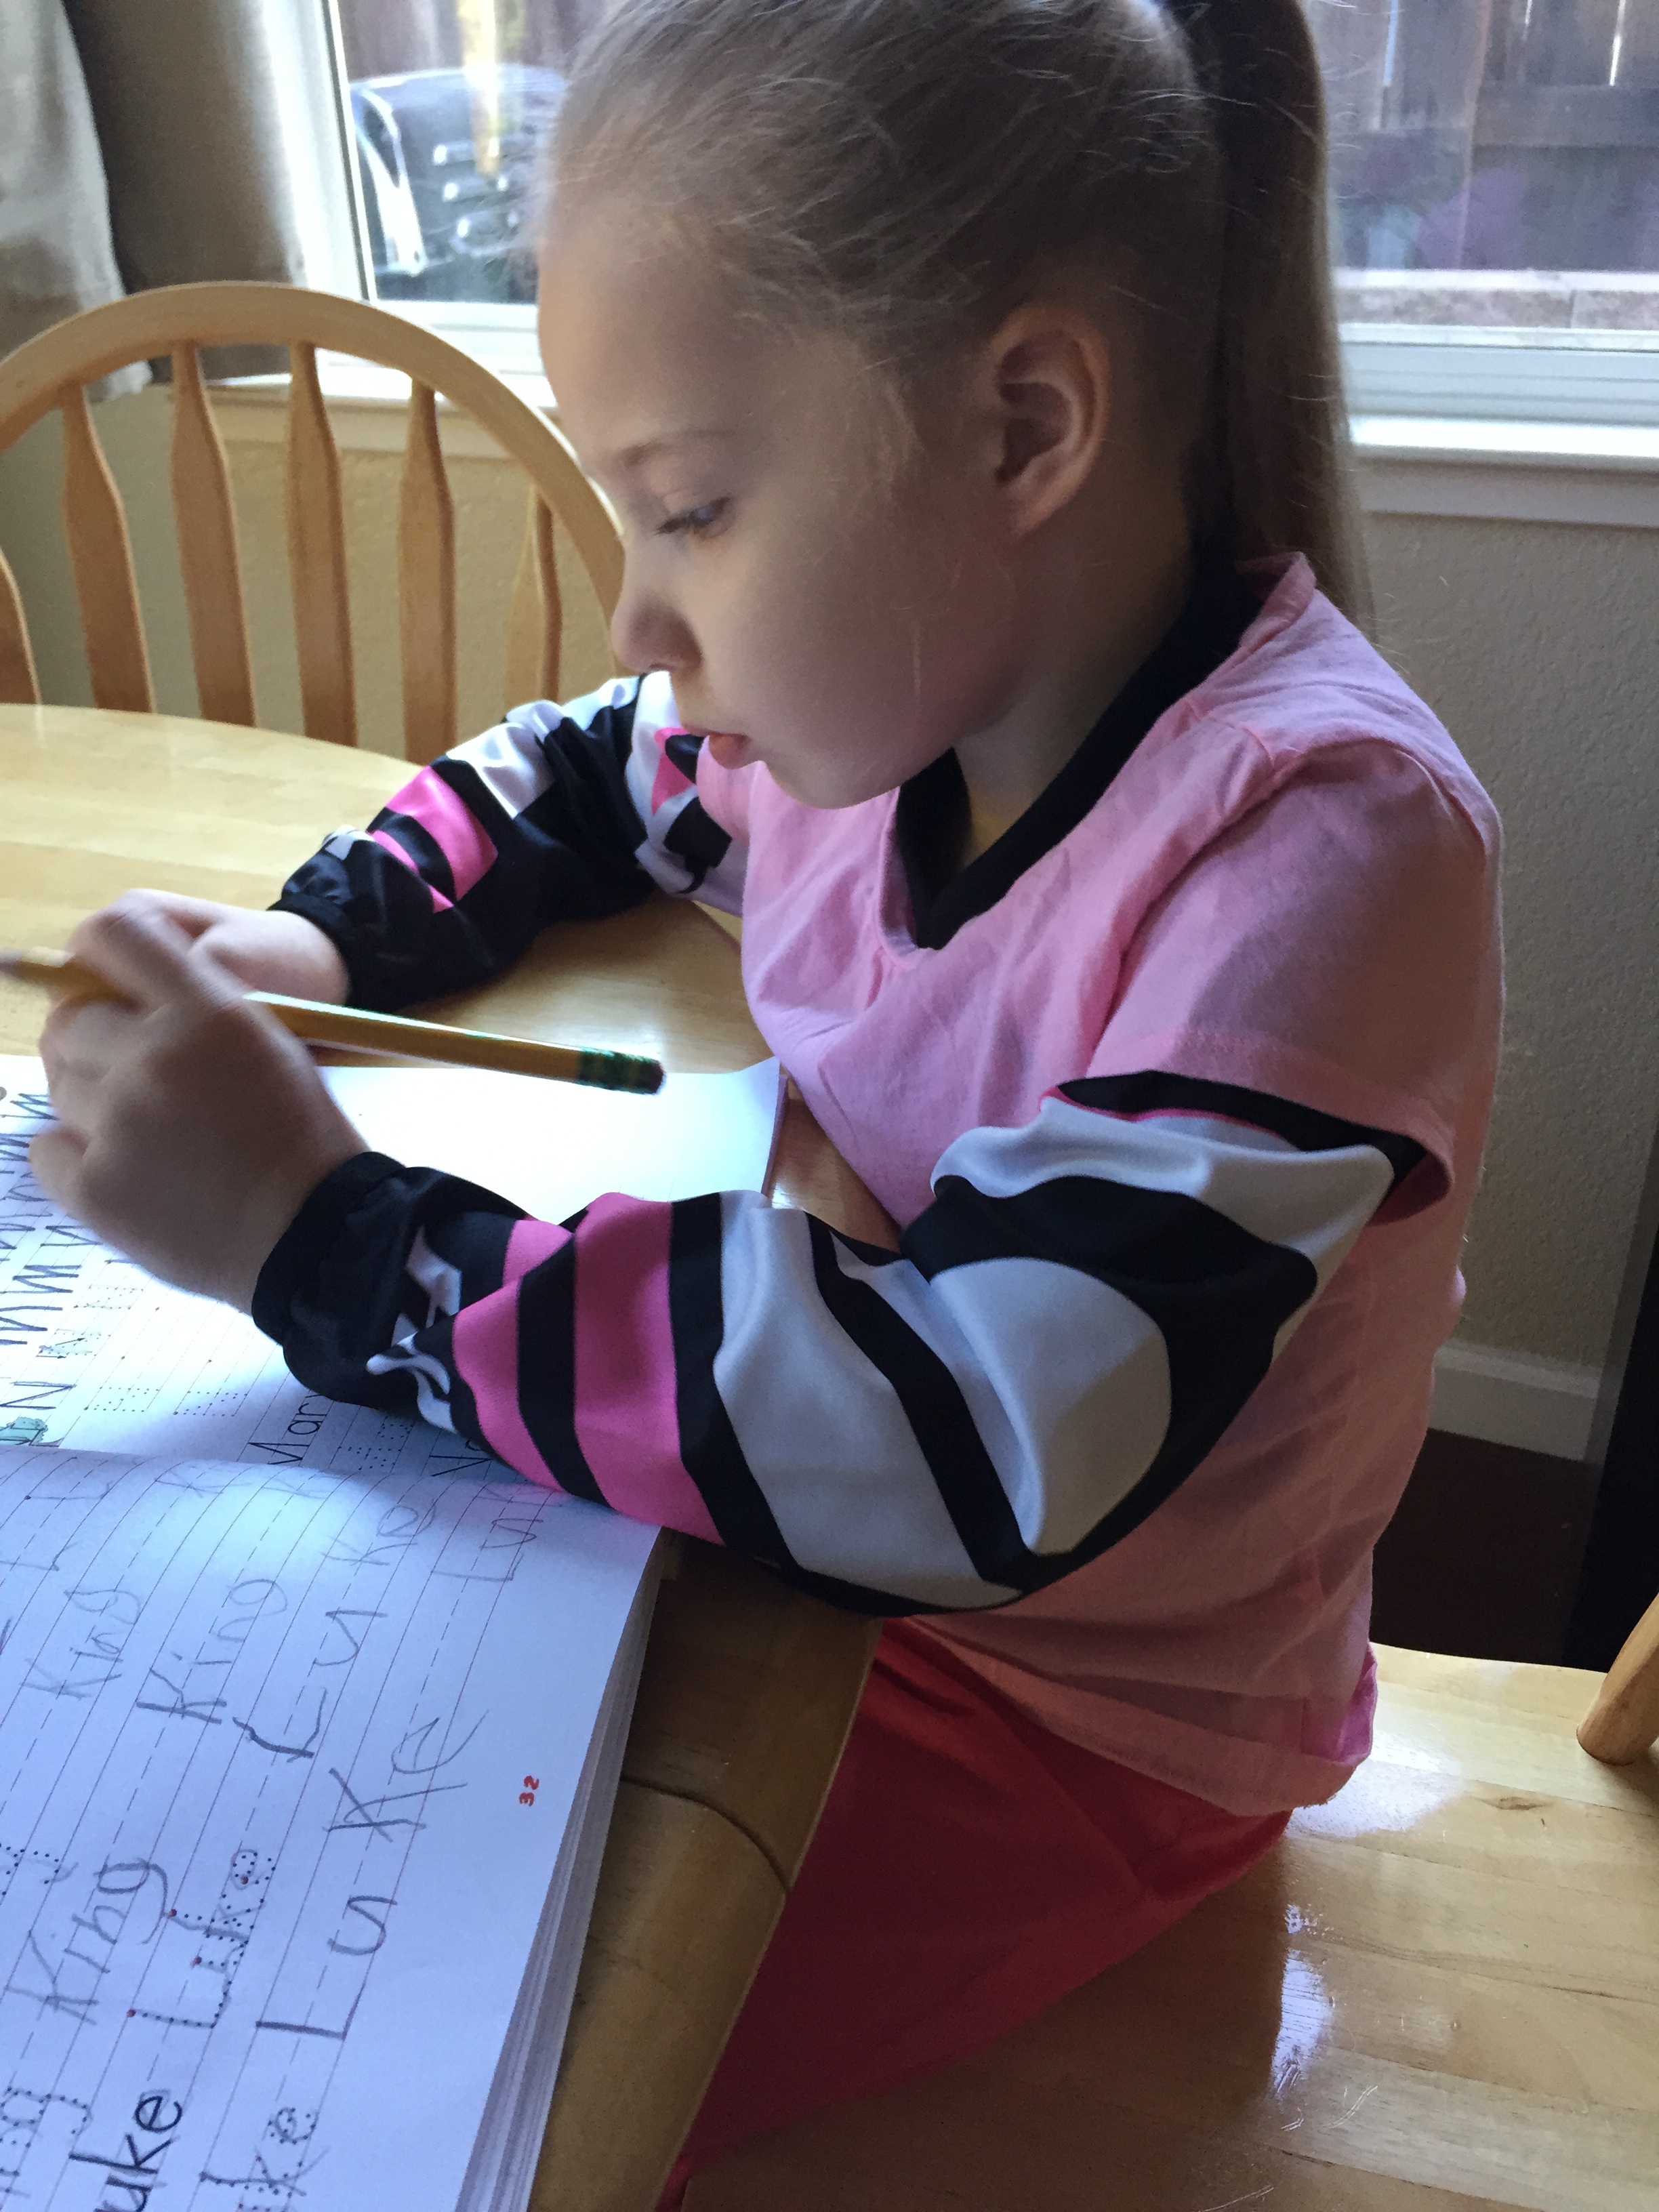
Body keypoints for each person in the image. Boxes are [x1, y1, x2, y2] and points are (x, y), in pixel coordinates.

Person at [36, 0, 1501, 2195]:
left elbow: (967, 1441)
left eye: (693, 509)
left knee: (365, 2032)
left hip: (1075, 1719)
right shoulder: (872, 709)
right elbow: (576, 769)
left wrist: (334, 1246)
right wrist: (331, 939)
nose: (639, 608)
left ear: (1023, 426)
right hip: (820, 1556)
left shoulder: (1314, 849)